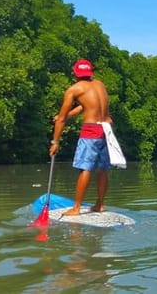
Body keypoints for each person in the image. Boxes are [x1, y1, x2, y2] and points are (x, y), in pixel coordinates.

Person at [49, 59, 113, 216]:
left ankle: (76, 208)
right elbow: (86, 106)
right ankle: (99, 205)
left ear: (75, 74)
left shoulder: (74, 89)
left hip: (91, 131)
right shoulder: (99, 85)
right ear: (90, 72)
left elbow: (62, 120)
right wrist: (64, 115)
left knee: (85, 168)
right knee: (101, 169)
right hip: (106, 129)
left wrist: (55, 142)